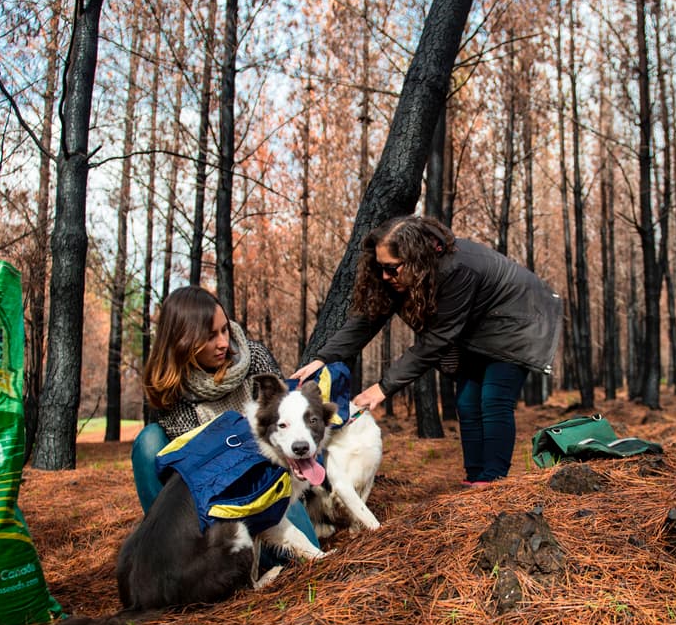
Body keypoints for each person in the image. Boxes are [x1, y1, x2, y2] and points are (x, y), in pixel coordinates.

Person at [292, 215, 562, 485]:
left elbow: (437, 340)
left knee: (493, 399)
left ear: (415, 259)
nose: (385, 276)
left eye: (391, 268)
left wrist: (383, 388)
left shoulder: (457, 269)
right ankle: (475, 478)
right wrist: (323, 358)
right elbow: (366, 321)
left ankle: (493, 480)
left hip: (521, 320)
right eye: (380, 267)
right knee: (467, 401)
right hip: (479, 328)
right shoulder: (403, 276)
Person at [132, 286, 320, 550]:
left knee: (302, 552)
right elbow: (198, 466)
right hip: (214, 494)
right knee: (148, 441)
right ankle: (172, 545)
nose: (223, 343)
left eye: (225, 330)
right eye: (210, 336)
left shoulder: (254, 357)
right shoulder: (172, 391)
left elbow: (283, 427)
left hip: (266, 479)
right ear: (183, 341)